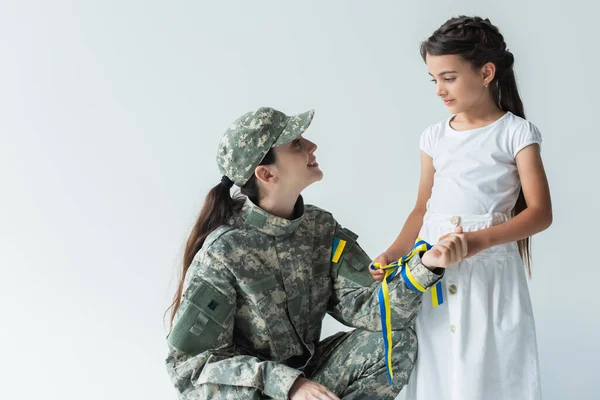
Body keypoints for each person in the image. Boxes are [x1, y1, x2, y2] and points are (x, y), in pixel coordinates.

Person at [165, 107, 467, 399]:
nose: (312, 146)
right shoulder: (224, 252)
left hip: (308, 379)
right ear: (266, 173)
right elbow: (190, 367)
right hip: (255, 392)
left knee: (393, 342)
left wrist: (426, 265)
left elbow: (372, 310)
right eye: (296, 144)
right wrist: (287, 385)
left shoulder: (320, 228)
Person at [369, 16, 552, 400]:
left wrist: (476, 242)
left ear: (486, 72)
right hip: (431, 273)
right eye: (434, 79)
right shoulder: (434, 137)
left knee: (492, 370)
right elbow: (422, 209)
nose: (439, 90)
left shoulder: (515, 133)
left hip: (490, 278)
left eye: (448, 77)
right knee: (438, 368)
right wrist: (393, 252)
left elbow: (539, 213)